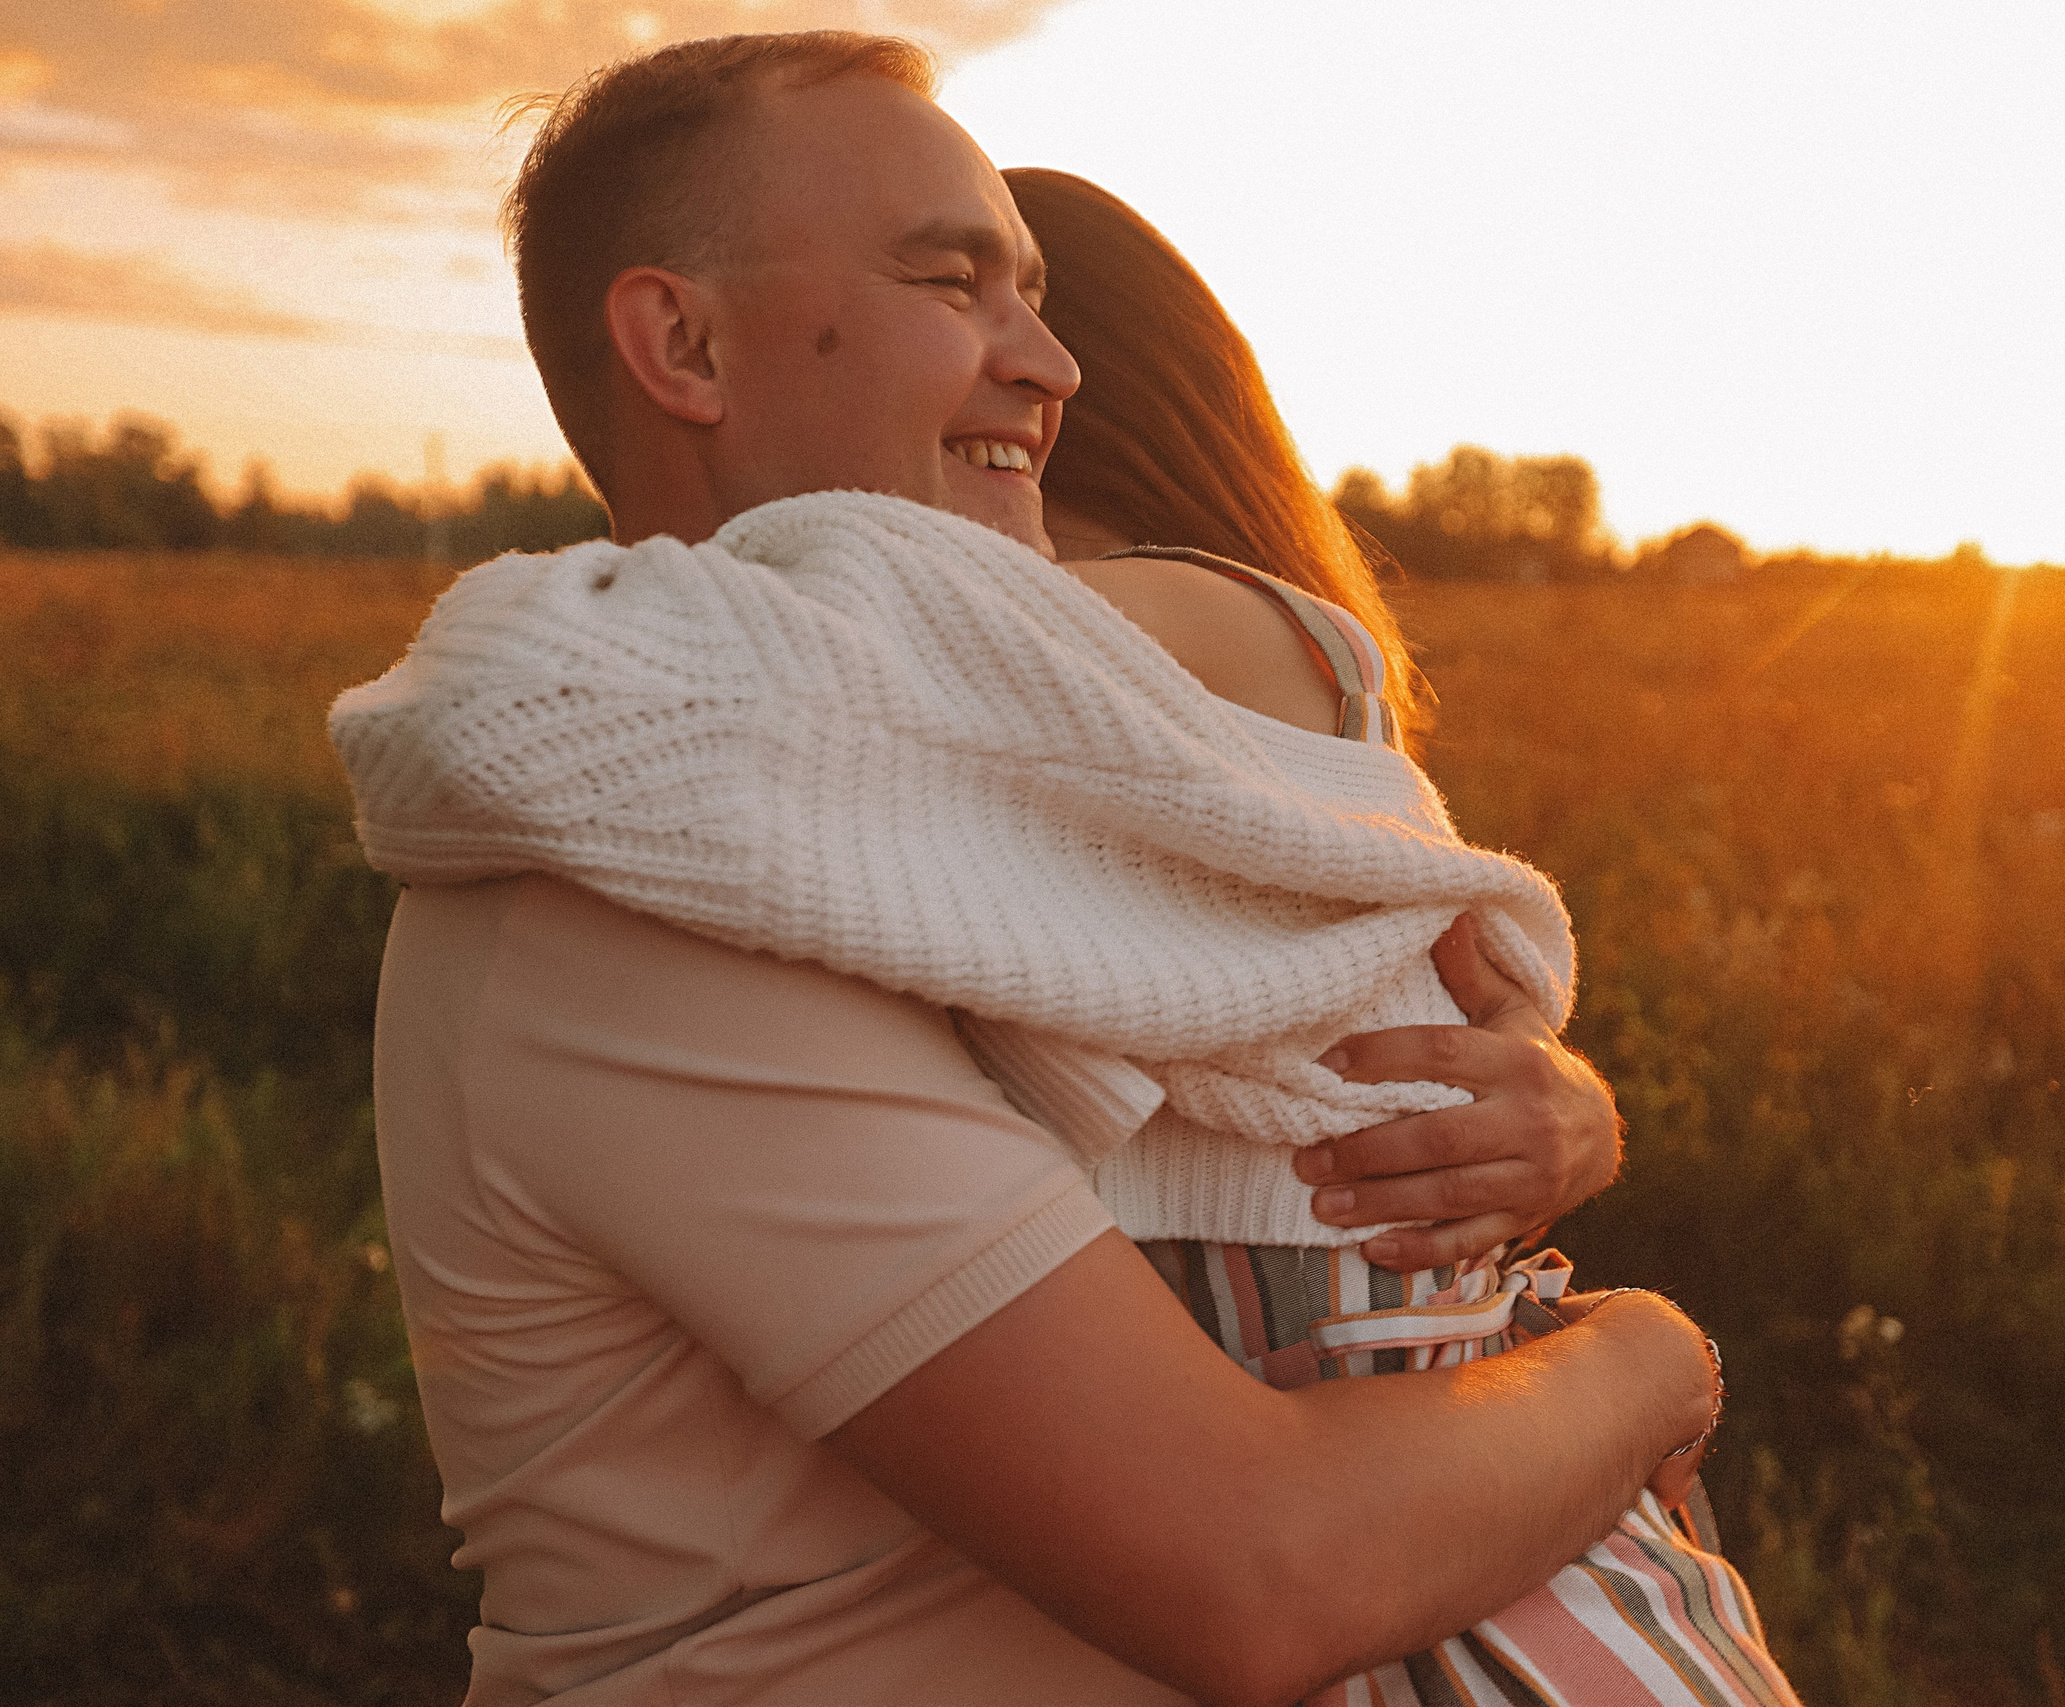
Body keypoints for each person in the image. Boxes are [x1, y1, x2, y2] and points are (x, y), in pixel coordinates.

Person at [337, 31, 1727, 1706]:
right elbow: (1259, 1565)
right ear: (681, 343)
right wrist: (1652, 1362)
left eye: (1038, 294)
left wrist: (1551, 1104)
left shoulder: (909, 819)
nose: (1052, 365)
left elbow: (1291, 1018)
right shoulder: (619, 880)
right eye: (956, 282)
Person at [1004, 164, 1804, 1705]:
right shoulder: (1180, 696)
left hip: (1437, 1574)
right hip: (1447, 1538)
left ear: (1060, 367)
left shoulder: (1164, 625)